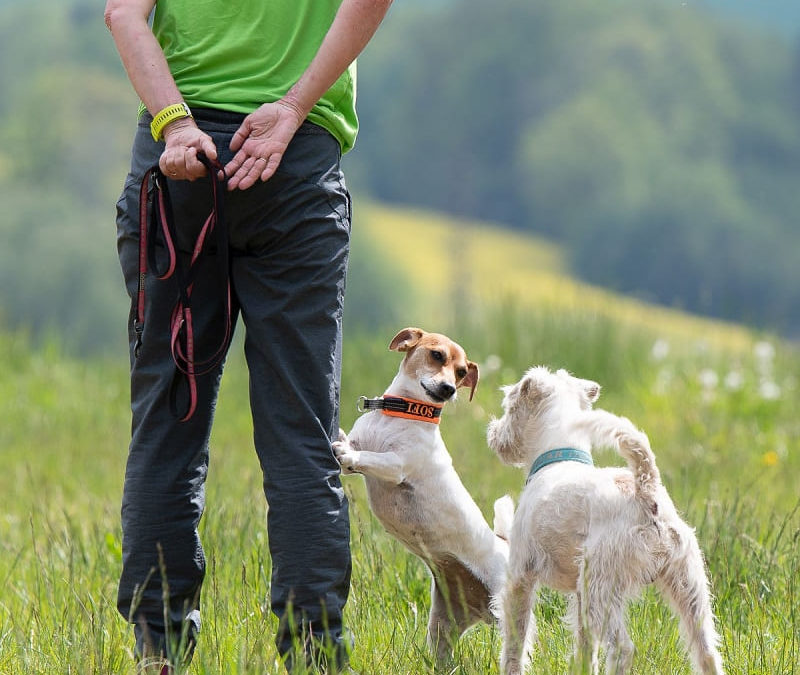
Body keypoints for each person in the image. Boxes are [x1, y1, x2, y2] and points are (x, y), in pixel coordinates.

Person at [104, 0, 394, 672]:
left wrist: (175, 123)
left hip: (180, 166)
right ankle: (315, 655)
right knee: (302, 433)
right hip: (292, 164)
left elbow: (124, 13)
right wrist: (292, 107)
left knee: (166, 423)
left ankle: (158, 651)